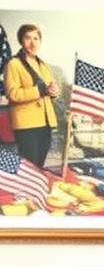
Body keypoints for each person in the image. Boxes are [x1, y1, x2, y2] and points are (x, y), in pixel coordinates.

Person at [3, 23, 59, 169]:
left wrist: (54, 92)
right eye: (28, 38)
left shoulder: (43, 65)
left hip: (45, 123)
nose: (32, 42)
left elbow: (47, 89)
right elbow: (13, 94)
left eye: (36, 38)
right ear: (20, 40)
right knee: (29, 169)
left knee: (39, 167)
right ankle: (25, 193)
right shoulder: (13, 64)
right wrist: (39, 90)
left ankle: (33, 192)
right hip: (26, 124)